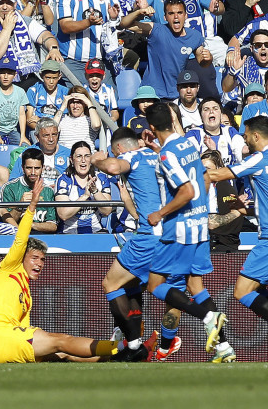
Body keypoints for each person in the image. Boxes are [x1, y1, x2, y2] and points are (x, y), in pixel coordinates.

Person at [0, 177, 118, 363]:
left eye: (43, 260)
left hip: (5, 344)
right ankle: (118, 348)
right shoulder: (9, 267)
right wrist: (32, 206)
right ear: (22, 257)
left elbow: (23, 326)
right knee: (60, 341)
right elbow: (21, 239)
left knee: (63, 353)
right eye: (35, 258)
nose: (39, 264)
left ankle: (118, 357)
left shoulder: (25, 293)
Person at [207, 116, 268, 362]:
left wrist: (193, 170)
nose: (245, 139)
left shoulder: (259, 158)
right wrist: (244, 210)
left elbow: (219, 175)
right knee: (255, 288)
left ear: (257, 136)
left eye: (246, 135)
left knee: (241, 291)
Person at [142, 102, 231, 362]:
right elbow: (201, 178)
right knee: (195, 285)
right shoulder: (187, 143)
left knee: (155, 284)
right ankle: (224, 347)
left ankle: (207, 317)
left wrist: (160, 213)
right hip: (199, 226)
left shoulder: (167, 154)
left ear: (151, 127)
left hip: (178, 230)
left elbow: (187, 191)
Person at [92, 127, 169, 362]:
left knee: (111, 284)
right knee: (134, 286)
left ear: (118, 149)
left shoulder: (129, 156)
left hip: (148, 235)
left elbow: (113, 166)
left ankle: (135, 344)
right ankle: (145, 343)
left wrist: (98, 161)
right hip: (169, 232)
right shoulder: (157, 153)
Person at [120, 0, 213, 100]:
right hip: (152, 95)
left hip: (176, 95)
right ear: (165, 17)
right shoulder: (156, 30)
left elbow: (202, 61)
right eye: (171, 13)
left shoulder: (194, 36)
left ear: (186, 15)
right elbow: (124, 24)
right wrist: (139, 12)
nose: (176, 17)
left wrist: (209, 59)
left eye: (180, 13)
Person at [0, 0, 63, 90]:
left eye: (8, 3)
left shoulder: (24, 21)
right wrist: (7, 30)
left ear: (15, 5)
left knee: (39, 88)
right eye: (0, 3)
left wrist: (53, 48)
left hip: (25, 75)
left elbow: (45, 35)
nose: (4, 7)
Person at [56, 0, 121, 86]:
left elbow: (121, 23)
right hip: (74, 62)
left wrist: (134, 13)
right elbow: (65, 26)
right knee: (78, 101)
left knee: (108, 101)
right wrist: (88, 23)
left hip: (102, 60)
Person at [55, 140, 111, 234]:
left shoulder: (101, 178)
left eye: (87, 156)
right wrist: (84, 196)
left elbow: (107, 211)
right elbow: (63, 214)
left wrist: (95, 191)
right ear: (71, 160)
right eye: (79, 156)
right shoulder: (64, 180)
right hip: (68, 233)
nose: (83, 160)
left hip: (95, 231)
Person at [1, 147, 57, 234]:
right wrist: (20, 206)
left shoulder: (48, 191)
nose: (33, 172)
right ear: (22, 168)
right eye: (29, 168)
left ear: (43, 168)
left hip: (42, 237)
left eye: (37, 168)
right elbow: (6, 223)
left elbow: (53, 226)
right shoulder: (9, 188)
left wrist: (29, 224)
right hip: (15, 237)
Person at [201, 149, 245, 253]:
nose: (204, 173)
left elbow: (212, 223)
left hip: (220, 249)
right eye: (201, 169)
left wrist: (237, 212)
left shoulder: (220, 188)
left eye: (208, 169)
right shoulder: (205, 188)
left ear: (218, 170)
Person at [185, 97, 248, 166]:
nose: (211, 111)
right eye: (206, 110)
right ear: (201, 116)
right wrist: (209, 152)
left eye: (215, 109)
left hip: (228, 175)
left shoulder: (230, 131)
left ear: (221, 114)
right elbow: (190, 161)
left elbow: (242, 151)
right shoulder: (193, 133)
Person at [9, 117, 71, 185]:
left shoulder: (68, 154)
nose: (51, 139)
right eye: (46, 135)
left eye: (54, 134)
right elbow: (13, 181)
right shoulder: (28, 153)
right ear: (37, 137)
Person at [0, 57, 31, 146]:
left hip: (11, 130)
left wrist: (23, 136)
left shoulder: (20, 92)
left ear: (15, 74)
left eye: (9, 73)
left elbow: (22, 114)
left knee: (24, 147)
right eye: (2, 73)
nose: (5, 77)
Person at [53, 86, 101, 150]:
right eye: (72, 102)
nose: (75, 106)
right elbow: (52, 129)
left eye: (79, 102)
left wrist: (89, 103)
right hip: (66, 156)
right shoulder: (62, 118)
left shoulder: (91, 119)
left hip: (85, 156)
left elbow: (96, 125)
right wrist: (63, 106)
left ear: (84, 103)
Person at [26, 59, 70, 130]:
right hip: (38, 129)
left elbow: (65, 119)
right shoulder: (33, 90)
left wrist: (42, 121)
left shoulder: (65, 92)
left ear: (59, 76)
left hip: (59, 128)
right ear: (41, 75)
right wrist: (44, 131)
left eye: (54, 78)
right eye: (48, 78)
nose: (51, 82)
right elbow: (29, 120)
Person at [83, 58, 117, 122]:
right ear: (86, 76)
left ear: (103, 76)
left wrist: (111, 120)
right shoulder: (83, 90)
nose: (94, 78)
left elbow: (114, 110)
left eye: (98, 75)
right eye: (91, 75)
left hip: (106, 123)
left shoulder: (109, 89)